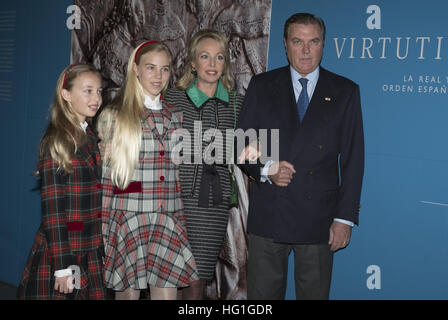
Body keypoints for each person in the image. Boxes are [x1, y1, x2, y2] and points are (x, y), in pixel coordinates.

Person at [237, 13, 364, 300]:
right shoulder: (262, 85)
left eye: (313, 41)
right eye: (298, 41)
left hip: (319, 219)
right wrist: (267, 169)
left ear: (323, 44)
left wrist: (344, 218)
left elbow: (353, 160)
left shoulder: (345, 91)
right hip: (270, 214)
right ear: (285, 44)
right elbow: (240, 144)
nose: (306, 50)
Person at [97, 41, 198, 300]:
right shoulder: (115, 115)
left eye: (165, 69)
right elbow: (108, 180)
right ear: (136, 69)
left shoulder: (175, 115)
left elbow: (174, 175)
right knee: (127, 295)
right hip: (130, 217)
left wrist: (179, 219)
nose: (158, 76)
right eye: (151, 68)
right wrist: (106, 230)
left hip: (167, 219)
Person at [165, 29, 244, 300]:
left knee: (197, 278)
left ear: (225, 64)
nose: (212, 64)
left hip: (212, 205)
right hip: (173, 201)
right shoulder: (173, 99)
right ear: (193, 63)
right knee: (166, 277)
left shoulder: (237, 104)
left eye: (219, 57)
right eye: (205, 56)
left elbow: (256, 144)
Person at [17, 63, 106, 299]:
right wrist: (63, 267)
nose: (96, 97)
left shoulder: (88, 135)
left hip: (90, 246)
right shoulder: (58, 141)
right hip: (66, 248)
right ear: (66, 95)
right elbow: (54, 213)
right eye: (87, 90)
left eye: (99, 91)